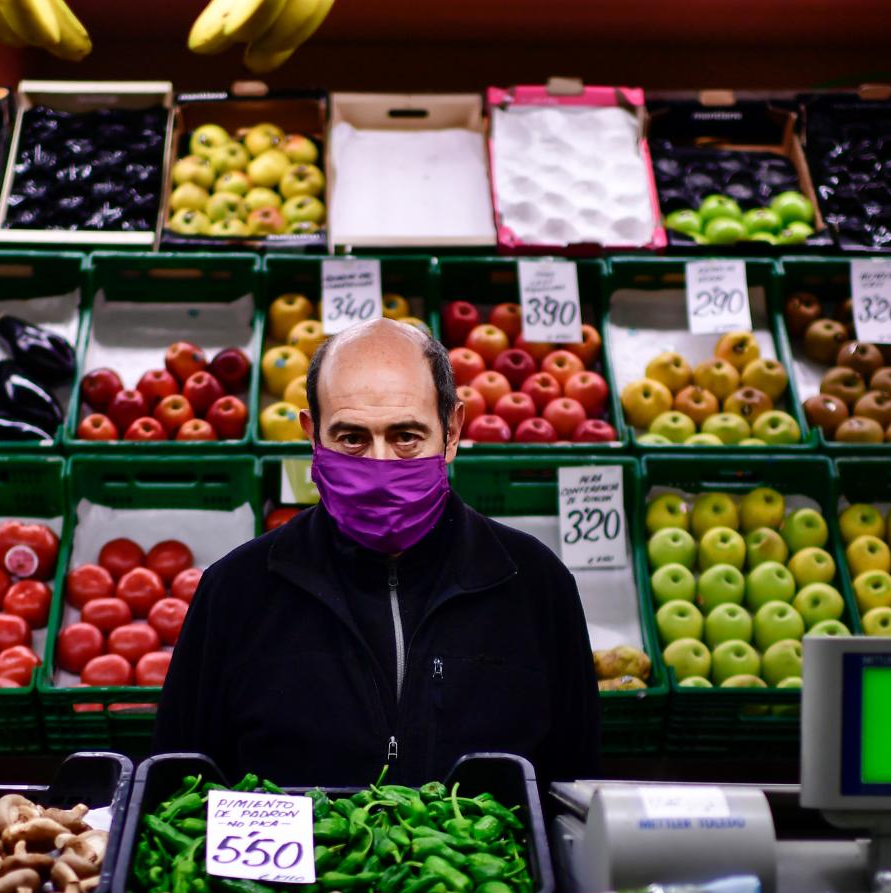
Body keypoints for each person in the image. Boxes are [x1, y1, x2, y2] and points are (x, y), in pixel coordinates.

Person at [153, 317, 600, 786]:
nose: (380, 465)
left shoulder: (534, 584)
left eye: (406, 437)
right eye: (352, 439)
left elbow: (575, 793)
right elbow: (180, 787)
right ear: (313, 436)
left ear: (451, 432)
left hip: (483, 861)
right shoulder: (236, 591)